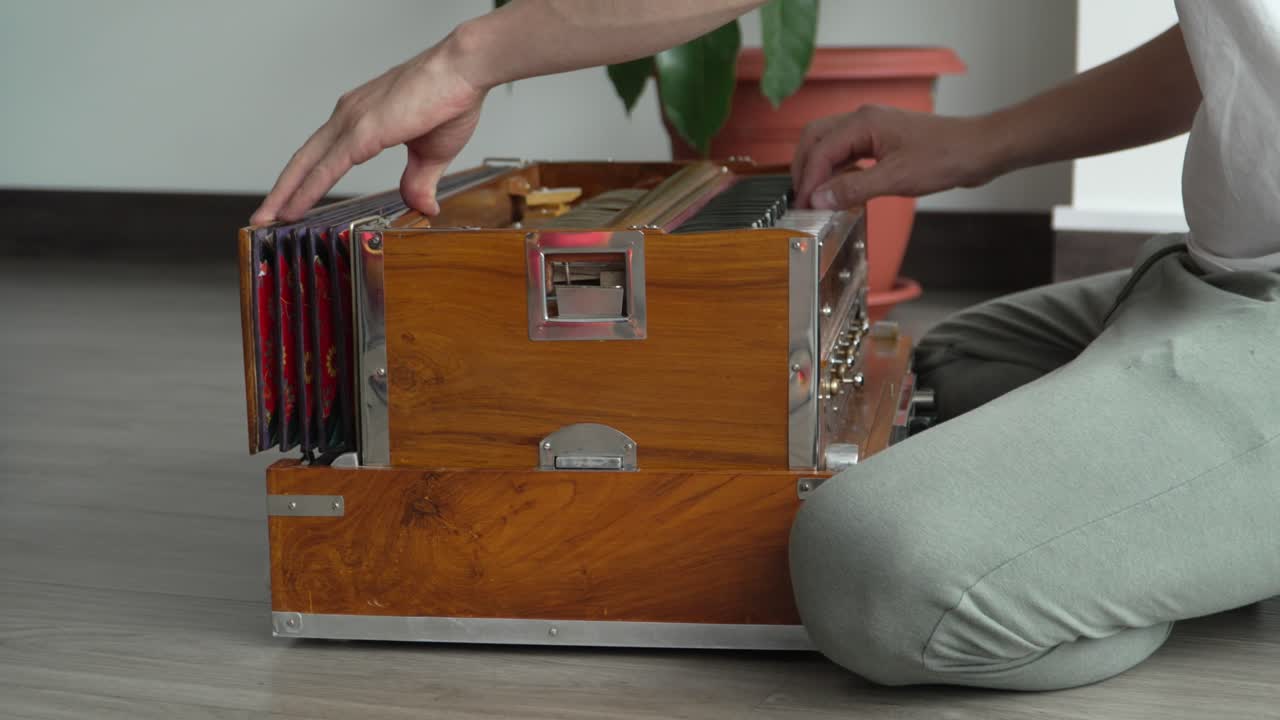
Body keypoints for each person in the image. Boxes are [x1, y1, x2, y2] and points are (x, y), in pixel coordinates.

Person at [252, 0, 1280, 691]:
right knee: (953, 372)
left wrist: (463, 57)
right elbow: (1235, 40)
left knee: (873, 564)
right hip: (1208, 283)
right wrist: (980, 142)